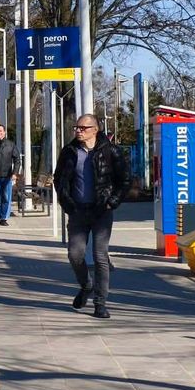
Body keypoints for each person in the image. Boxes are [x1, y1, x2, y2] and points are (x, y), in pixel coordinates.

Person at [54, 114, 133, 319]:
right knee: (75, 255)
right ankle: (86, 285)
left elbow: (125, 180)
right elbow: (59, 179)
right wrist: (66, 201)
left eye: (83, 127)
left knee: (100, 257)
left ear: (95, 130)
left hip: (101, 211)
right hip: (78, 211)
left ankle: (100, 303)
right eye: (76, 127)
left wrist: (112, 201)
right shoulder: (70, 152)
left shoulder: (111, 151)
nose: (78, 130)